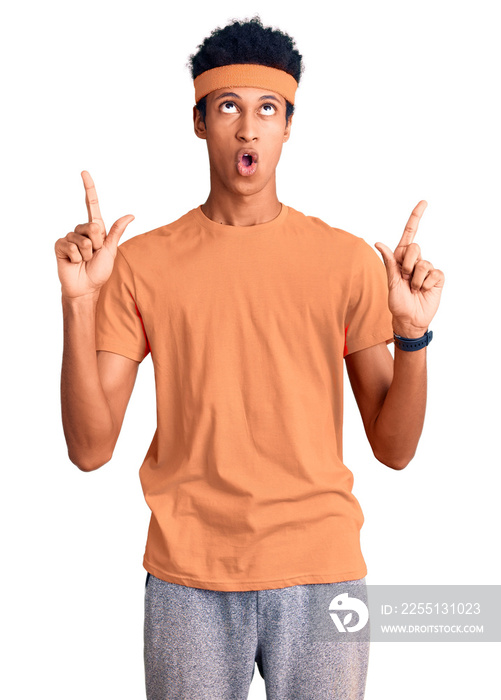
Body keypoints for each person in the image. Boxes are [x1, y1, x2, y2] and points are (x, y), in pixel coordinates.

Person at [54, 16, 444, 700]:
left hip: (320, 567)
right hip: (188, 578)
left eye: (267, 109)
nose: (247, 128)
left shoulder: (345, 261)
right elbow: (89, 449)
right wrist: (79, 304)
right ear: (199, 121)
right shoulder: (141, 265)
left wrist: (411, 338)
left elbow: (395, 448)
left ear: (288, 126)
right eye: (228, 106)